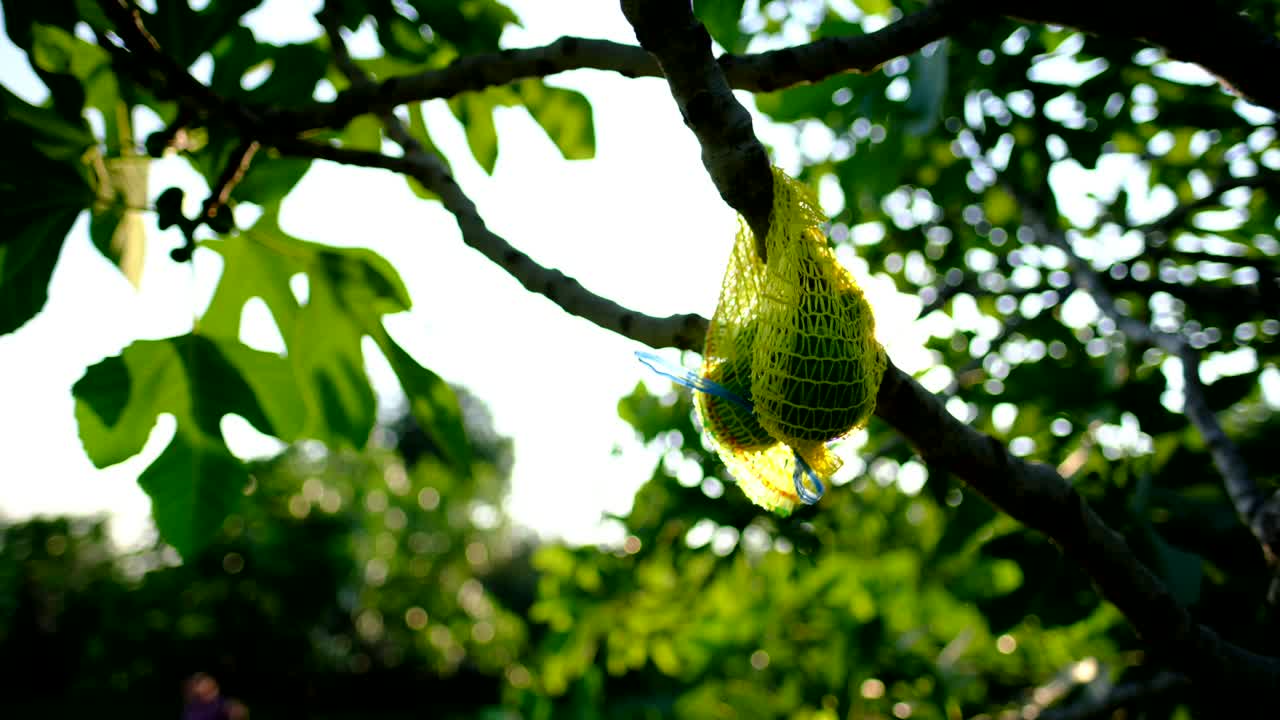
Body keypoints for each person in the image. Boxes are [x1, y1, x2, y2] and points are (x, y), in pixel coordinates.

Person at [182, 672, 248, 720]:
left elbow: (224, 703)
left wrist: (233, 706)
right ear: (196, 697)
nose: (215, 694)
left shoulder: (217, 700)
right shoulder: (192, 714)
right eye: (207, 693)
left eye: (214, 687)